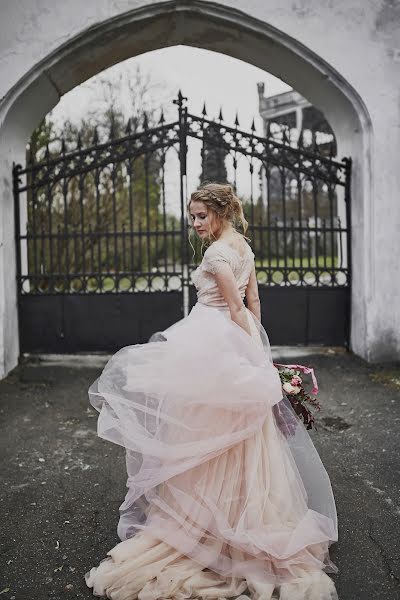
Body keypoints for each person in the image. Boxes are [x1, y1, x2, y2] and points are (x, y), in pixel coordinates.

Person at [85, 183, 339, 600]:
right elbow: (253, 303)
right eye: (193, 218)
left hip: (212, 341)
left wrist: (254, 351)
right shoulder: (245, 247)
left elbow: (237, 307)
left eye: (202, 216)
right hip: (235, 341)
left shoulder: (218, 253)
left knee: (204, 427)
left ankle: (209, 524)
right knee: (232, 427)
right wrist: (258, 347)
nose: (197, 224)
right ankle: (235, 511)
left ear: (221, 211)